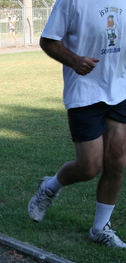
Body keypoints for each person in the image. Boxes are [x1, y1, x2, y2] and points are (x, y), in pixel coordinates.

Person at [28, 0, 126, 248]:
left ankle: (100, 228)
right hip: (84, 91)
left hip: (119, 88)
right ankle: (49, 187)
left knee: (118, 160)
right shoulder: (71, 1)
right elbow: (48, 40)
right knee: (89, 167)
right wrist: (73, 60)